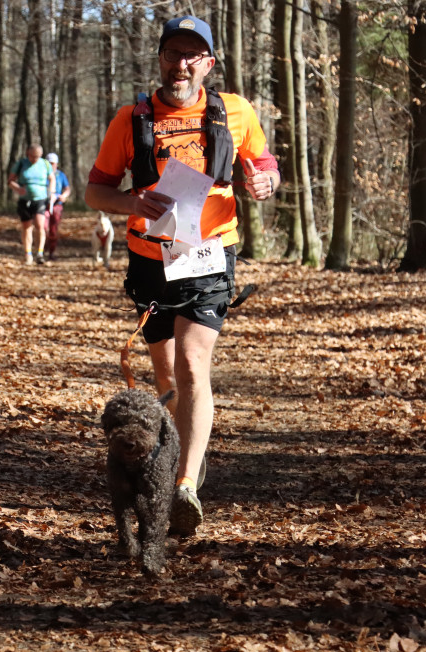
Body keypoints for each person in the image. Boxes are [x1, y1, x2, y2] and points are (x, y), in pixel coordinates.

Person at [84, 15, 280, 536]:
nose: (182, 63)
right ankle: (174, 460)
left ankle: (184, 486)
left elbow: (265, 164)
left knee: (194, 365)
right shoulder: (131, 119)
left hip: (210, 256)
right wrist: (130, 199)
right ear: (161, 59)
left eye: (193, 55)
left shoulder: (233, 111)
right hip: (150, 258)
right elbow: (94, 191)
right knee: (166, 374)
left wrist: (265, 182)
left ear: (208, 64)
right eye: (173, 53)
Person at [8, 144, 55, 265]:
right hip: (24, 200)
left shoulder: (45, 164)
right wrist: (18, 189)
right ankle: (28, 253)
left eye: (38, 156)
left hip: (40, 199)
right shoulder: (21, 164)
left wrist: (51, 192)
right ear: (28, 154)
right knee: (27, 226)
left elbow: (52, 179)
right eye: (33, 156)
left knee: (40, 225)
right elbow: (10, 181)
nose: (35, 159)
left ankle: (40, 253)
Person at [44, 152, 72, 261]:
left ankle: (51, 252)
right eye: (49, 163)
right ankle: (41, 249)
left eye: (53, 163)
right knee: (43, 227)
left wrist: (63, 196)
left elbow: (67, 188)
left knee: (53, 229)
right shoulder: (42, 174)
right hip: (44, 204)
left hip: (57, 206)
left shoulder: (61, 175)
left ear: (57, 164)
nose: (51, 166)